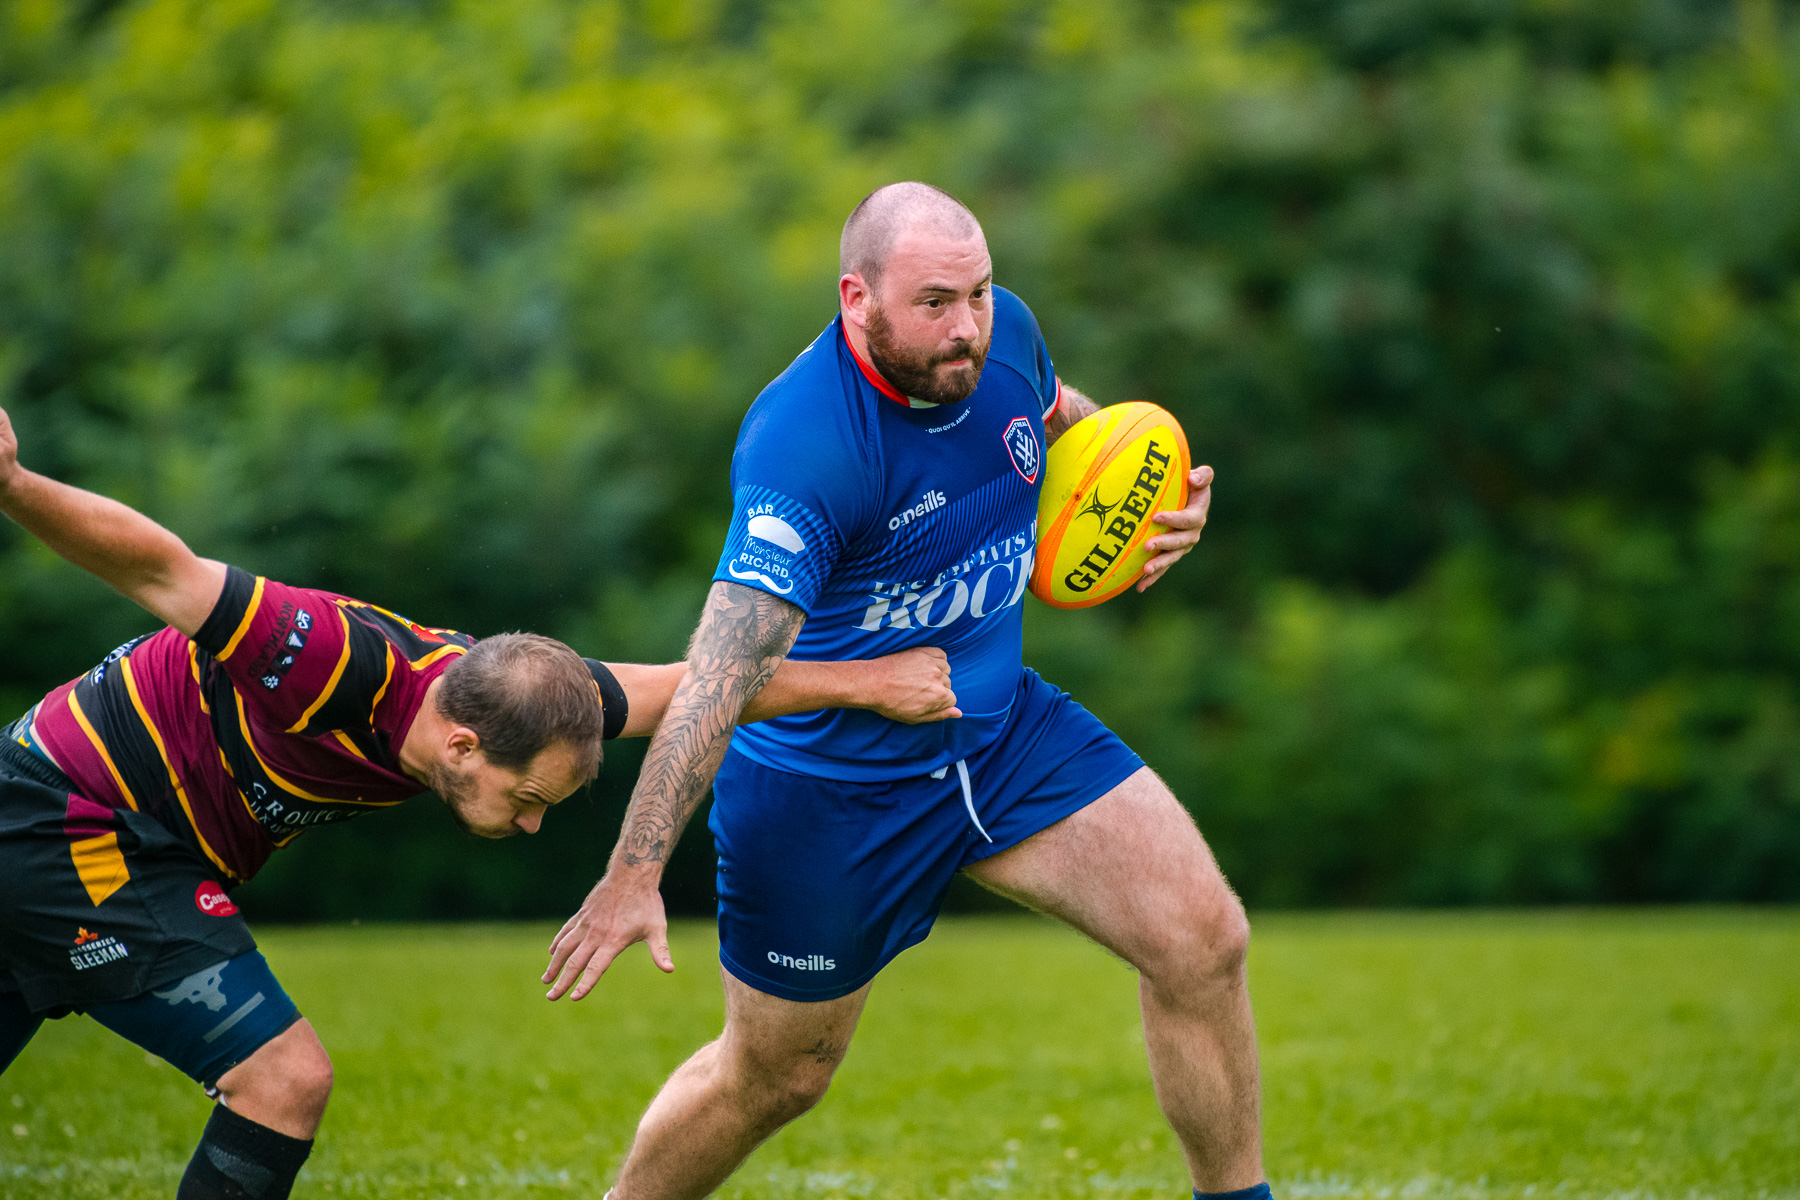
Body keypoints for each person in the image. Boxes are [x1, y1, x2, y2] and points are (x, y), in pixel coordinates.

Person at [0, 403, 958, 1200]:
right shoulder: (329, 656)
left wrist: (865, 681)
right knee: (283, 1082)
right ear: (462, 743)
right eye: (529, 799)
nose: (534, 823)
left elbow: (692, 684)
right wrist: (13, 485)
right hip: (76, 822)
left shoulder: (519, 693)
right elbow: (161, 569)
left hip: (95, 835)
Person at [542, 182, 1265, 1200]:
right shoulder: (808, 449)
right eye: (934, 301)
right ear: (857, 299)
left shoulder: (1004, 338)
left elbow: (1063, 425)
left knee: (1204, 942)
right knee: (778, 1077)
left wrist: (1138, 501)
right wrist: (632, 872)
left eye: (978, 292)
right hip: (825, 795)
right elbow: (715, 681)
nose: (966, 326)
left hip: (1001, 732)